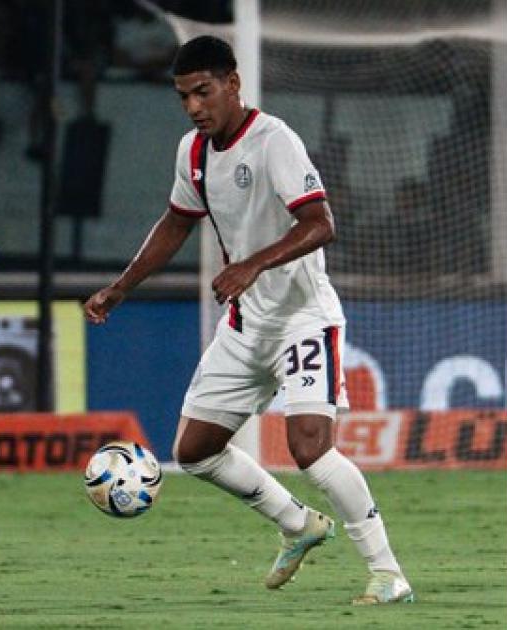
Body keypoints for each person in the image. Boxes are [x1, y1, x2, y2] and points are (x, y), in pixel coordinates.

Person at [84, 36, 413, 605]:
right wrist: (121, 287)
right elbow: (174, 224)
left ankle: (387, 572)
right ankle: (297, 524)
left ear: (232, 83)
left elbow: (320, 222)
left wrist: (252, 266)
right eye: (184, 96)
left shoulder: (273, 140)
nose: (193, 106)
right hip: (245, 325)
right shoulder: (192, 151)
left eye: (203, 91)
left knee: (310, 447)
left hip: (303, 318)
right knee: (194, 451)